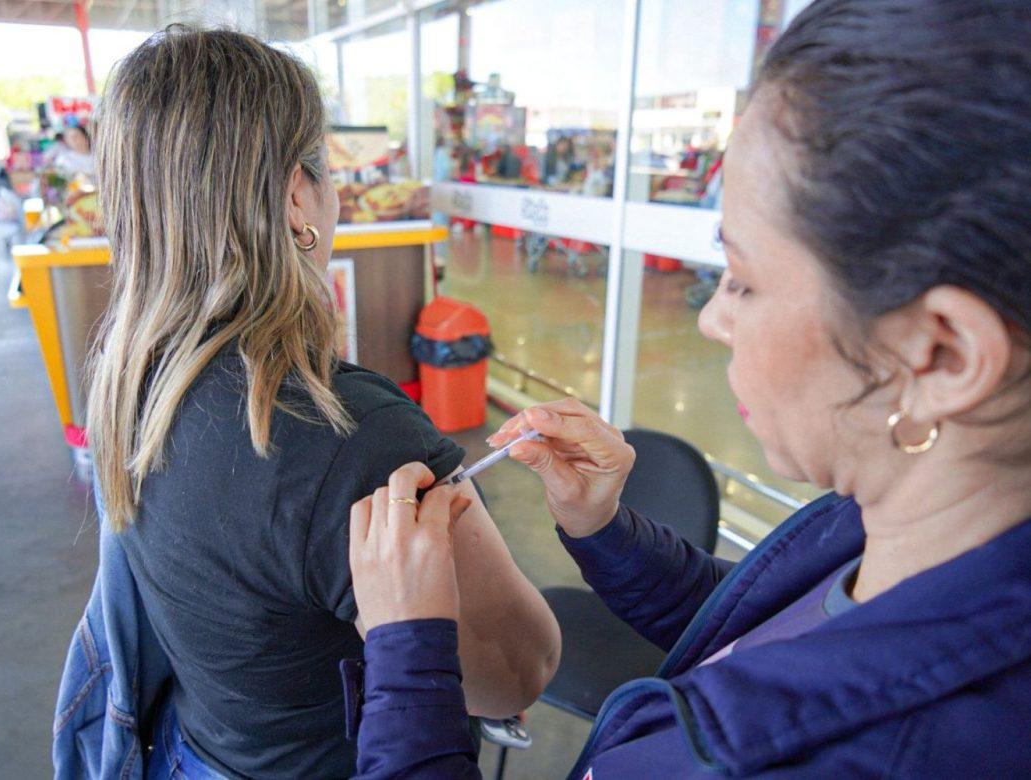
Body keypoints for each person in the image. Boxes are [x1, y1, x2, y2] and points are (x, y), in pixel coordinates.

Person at [346, 0, 1031, 776]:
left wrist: (407, 654)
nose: (710, 321)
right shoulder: (896, 531)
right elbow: (750, 627)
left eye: (740, 280)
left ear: (939, 354)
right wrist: (604, 527)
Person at [56, 26, 559, 780]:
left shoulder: (134, 380)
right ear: (298, 193)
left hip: (188, 752)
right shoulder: (347, 436)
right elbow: (517, 671)